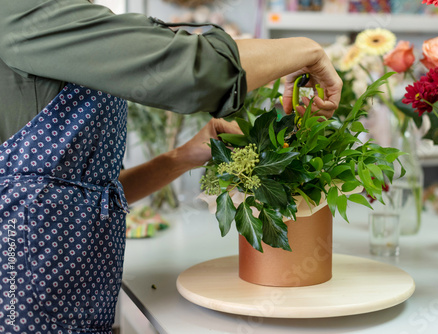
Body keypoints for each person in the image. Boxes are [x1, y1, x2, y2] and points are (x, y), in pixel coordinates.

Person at [0, 1, 342, 333]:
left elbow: (87, 192)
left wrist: (182, 157)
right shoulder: (23, 11)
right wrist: (308, 50)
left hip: (74, 290)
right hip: (24, 294)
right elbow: (193, 70)